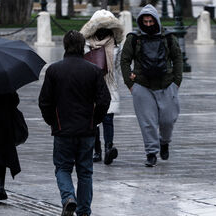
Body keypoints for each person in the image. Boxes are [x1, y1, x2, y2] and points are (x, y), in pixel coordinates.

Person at [39, 30, 111, 216]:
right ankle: (84, 210)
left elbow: (44, 101)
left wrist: (53, 122)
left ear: (65, 46)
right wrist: (95, 120)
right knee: (85, 172)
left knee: (63, 168)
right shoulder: (93, 70)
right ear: (82, 47)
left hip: (63, 129)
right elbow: (104, 100)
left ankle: (68, 197)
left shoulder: (54, 70)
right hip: (86, 129)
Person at [120, 4, 183, 167]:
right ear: (141, 22)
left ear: (156, 20)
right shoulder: (133, 38)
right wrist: (130, 83)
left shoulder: (168, 37)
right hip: (142, 85)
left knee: (168, 119)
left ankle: (165, 142)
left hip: (167, 84)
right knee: (147, 122)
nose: (148, 24)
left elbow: (177, 58)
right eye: (145, 21)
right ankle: (151, 152)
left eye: (151, 21)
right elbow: (125, 60)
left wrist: (176, 82)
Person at [80, 9, 124, 165]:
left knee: (108, 118)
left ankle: (108, 149)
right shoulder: (85, 44)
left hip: (109, 84)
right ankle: (96, 150)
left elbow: (117, 66)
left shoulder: (116, 44)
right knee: (94, 119)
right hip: (91, 84)